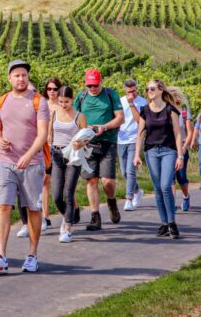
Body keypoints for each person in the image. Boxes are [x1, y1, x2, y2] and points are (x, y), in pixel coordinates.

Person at [0, 60, 50, 274]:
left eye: (24, 75)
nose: (21, 79)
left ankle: (32, 255)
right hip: (5, 162)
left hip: (32, 165)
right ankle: (1, 257)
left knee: (32, 209)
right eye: (17, 75)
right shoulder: (2, 101)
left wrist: (29, 155)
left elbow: (42, 135)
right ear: (9, 78)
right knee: (3, 206)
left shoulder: (39, 102)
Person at [134, 79, 185, 239]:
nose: (149, 91)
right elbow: (140, 134)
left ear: (161, 90)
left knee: (165, 186)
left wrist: (180, 155)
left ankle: (172, 222)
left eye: (152, 88)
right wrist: (137, 155)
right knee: (157, 188)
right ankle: (164, 223)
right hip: (151, 152)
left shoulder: (171, 110)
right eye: (147, 88)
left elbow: (177, 134)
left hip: (168, 151)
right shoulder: (144, 110)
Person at [74, 69, 124, 231]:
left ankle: (111, 200)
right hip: (87, 144)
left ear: (100, 82)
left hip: (107, 141)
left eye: (95, 85)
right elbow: (73, 117)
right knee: (92, 180)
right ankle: (95, 216)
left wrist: (104, 127)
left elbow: (120, 118)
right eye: (89, 85)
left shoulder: (111, 95)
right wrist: (84, 128)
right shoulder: (81, 97)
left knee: (107, 181)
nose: (92, 88)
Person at [17, 77, 62, 238]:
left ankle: (54, 216)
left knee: (49, 184)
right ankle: (37, 220)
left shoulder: (52, 106)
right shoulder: (23, 107)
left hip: (51, 150)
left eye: (55, 89)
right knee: (31, 185)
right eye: (49, 89)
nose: (52, 92)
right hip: (30, 151)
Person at [48, 85, 89, 243]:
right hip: (57, 154)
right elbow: (51, 133)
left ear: (72, 100)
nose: (63, 105)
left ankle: (67, 228)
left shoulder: (79, 116)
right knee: (57, 196)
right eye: (60, 101)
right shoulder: (54, 114)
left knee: (68, 192)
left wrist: (81, 144)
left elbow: (87, 136)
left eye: (66, 101)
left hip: (73, 156)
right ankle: (71, 213)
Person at [117, 78, 147, 211]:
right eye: (129, 92)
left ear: (137, 88)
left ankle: (128, 198)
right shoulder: (119, 101)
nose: (132, 94)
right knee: (124, 172)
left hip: (136, 138)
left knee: (130, 170)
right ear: (124, 90)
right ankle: (137, 191)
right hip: (121, 139)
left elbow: (139, 121)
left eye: (134, 91)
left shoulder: (142, 102)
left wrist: (131, 104)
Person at [170, 88, 194, 211]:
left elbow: (190, 132)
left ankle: (185, 196)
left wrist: (185, 147)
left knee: (181, 177)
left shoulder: (184, 113)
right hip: (169, 148)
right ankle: (172, 203)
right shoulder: (166, 112)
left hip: (182, 148)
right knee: (170, 177)